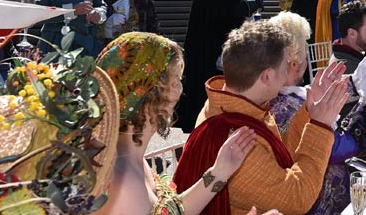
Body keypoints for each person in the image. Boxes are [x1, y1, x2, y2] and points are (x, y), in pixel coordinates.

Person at [173, 21, 350, 215]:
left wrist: (309, 110)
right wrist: (320, 126)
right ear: (266, 76)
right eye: (285, 66)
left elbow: (280, 157)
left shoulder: (236, 103)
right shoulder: (238, 136)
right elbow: (297, 198)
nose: (286, 75)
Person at [95, 32, 261, 215]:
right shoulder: (122, 184)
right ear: (144, 93)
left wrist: (219, 172)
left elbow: (172, 211)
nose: (179, 91)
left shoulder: (128, 157)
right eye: (174, 82)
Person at [268, 12, 366, 215]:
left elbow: (316, 96)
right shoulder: (284, 107)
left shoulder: (283, 95)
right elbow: (334, 148)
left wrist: (354, 82)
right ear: (294, 62)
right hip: (321, 201)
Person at [178, 0, 264, 132]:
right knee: (214, 86)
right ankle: (212, 123)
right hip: (215, 44)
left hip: (210, 42)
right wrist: (254, 5)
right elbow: (232, 11)